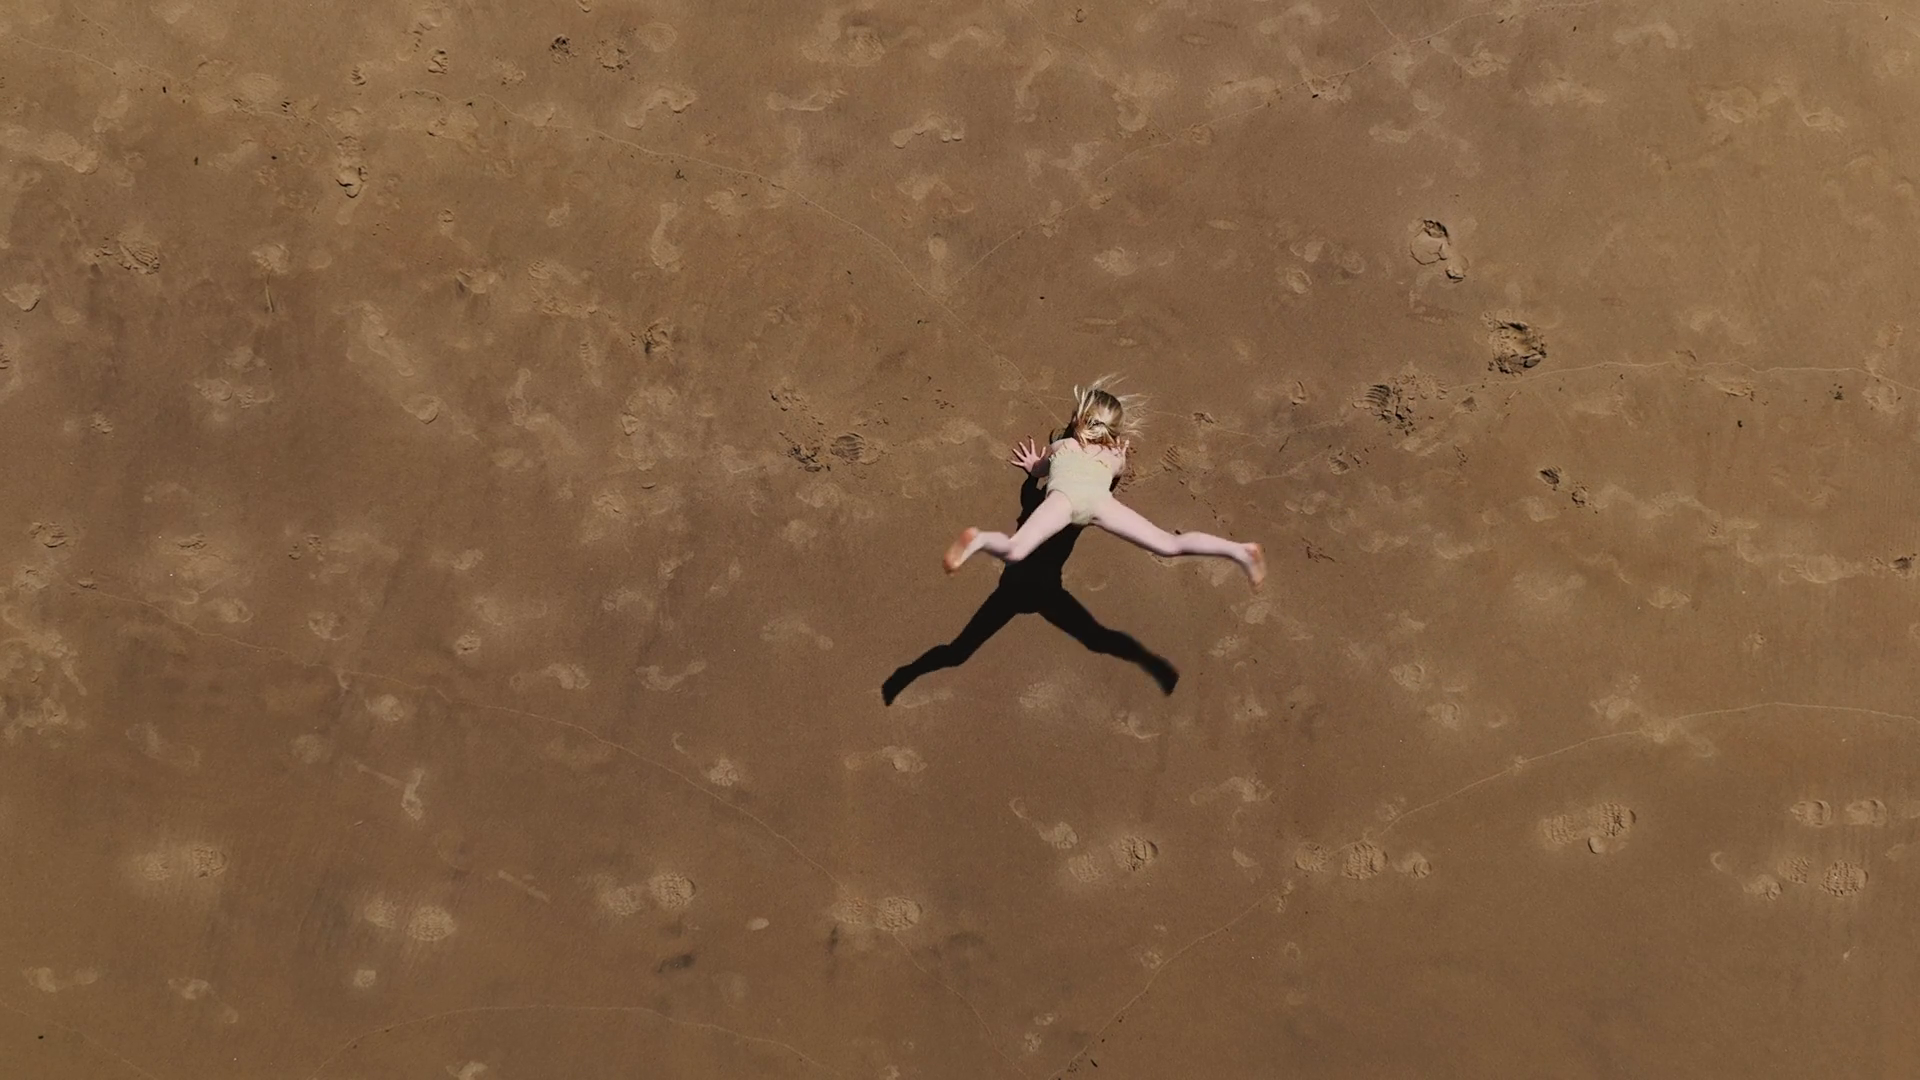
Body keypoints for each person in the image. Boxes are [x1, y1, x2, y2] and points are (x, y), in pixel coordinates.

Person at [944, 380, 1266, 587]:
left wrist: (1032, 468)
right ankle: (1239, 551)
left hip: (1063, 501)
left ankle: (979, 540)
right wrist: (1116, 458)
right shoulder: (1115, 458)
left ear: (1076, 420)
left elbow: (1039, 472)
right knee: (1169, 545)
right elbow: (1115, 477)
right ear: (1114, 432)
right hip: (1099, 504)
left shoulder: (1061, 446)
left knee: (1015, 550)